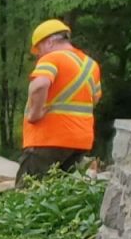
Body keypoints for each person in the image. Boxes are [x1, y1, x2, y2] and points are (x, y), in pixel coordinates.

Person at [19, 19, 101, 181]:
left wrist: (35, 113)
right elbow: (95, 98)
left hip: (47, 139)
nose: (39, 54)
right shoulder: (91, 65)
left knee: (26, 194)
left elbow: (39, 85)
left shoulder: (51, 58)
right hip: (80, 141)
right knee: (61, 195)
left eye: (39, 49)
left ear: (49, 42)